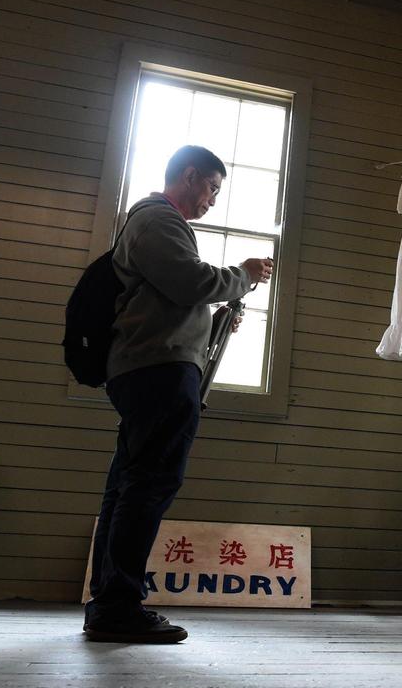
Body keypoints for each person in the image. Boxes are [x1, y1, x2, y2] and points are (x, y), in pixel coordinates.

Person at [83, 145, 274, 643]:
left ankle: (107, 602)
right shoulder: (157, 219)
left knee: (129, 484)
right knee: (148, 484)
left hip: (148, 368)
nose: (212, 199)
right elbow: (191, 283)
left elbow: (169, 304)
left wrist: (215, 320)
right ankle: (118, 605)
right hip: (159, 372)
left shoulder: (154, 225)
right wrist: (244, 276)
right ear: (189, 176)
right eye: (211, 187)